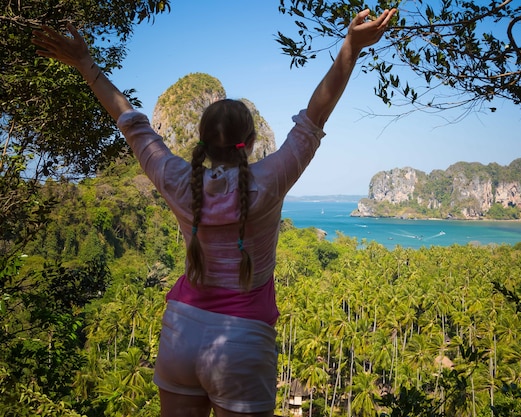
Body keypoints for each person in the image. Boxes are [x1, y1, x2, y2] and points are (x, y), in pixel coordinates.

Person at [33, 7, 396, 417]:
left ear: (201, 141)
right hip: (243, 343)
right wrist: (350, 46)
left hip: (181, 332)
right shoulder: (270, 179)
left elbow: (130, 121)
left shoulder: (177, 181)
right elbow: (314, 118)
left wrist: (84, 62)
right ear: (252, 139)